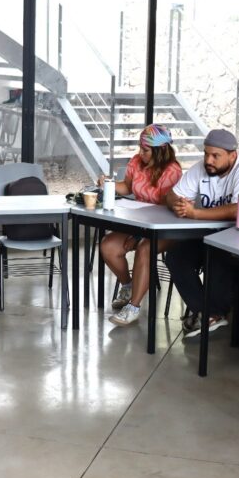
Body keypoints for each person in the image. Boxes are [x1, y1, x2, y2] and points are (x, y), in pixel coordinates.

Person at [164, 128, 239, 337]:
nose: (208, 160)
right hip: (211, 234)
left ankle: (213, 313)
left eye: (215, 156)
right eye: (206, 154)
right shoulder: (202, 168)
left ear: (233, 155)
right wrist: (178, 205)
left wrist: (195, 213)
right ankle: (209, 313)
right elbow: (171, 195)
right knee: (176, 257)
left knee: (217, 255)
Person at [101, 124, 183, 327]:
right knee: (108, 246)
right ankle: (128, 285)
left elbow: (166, 213)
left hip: (166, 228)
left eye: (145, 150)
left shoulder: (172, 171)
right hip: (139, 224)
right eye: (140, 147)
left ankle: (134, 307)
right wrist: (109, 184)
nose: (140, 153)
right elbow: (127, 187)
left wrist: (137, 237)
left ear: (160, 150)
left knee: (146, 248)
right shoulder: (136, 162)